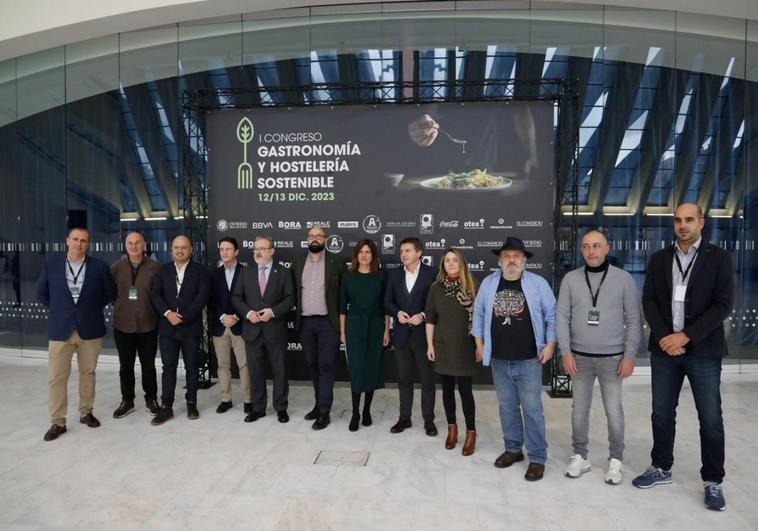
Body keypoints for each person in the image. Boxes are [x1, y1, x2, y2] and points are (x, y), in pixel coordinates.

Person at [633, 203, 734, 512]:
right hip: (665, 351)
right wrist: (666, 337)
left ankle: (713, 479)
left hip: (702, 350)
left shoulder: (719, 258)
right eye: (678, 220)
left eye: (689, 219)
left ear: (701, 222)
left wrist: (686, 336)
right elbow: (648, 300)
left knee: (711, 419)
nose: (683, 225)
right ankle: (661, 467)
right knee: (661, 413)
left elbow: (723, 305)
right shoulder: (660, 258)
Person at [556, 229, 641, 484]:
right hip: (578, 358)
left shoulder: (624, 279)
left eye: (596, 246)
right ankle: (580, 455)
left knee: (613, 410)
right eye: (586, 246)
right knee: (578, 410)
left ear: (607, 248)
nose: (591, 251)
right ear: (581, 250)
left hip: (613, 359)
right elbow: (561, 318)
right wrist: (566, 351)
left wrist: (629, 355)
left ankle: (615, 460)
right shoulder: (570, 279)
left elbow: (634, 320)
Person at [472, 237, 556, 481]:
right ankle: (513, 449)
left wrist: (550, 345)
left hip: (529, 359)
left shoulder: (538, 284)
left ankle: (538, 457)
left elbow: (552, 315)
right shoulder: (488, 284)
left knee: (532, 409)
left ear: (525, 260)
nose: (511, 260)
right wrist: (479, 344)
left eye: (516, 256)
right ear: (500, 260)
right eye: (507, 256)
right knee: (507, 408)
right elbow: (478, 314)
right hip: (499, 359)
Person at [36, 227, 115, 441]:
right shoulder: (51, 265)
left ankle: (86, 412)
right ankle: (57, 422)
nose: (79, 243)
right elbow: (41, 293)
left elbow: (109, 294)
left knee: (87, 373)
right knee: (56, 377)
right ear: (67, 241)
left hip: (90, 328)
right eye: (75, 239)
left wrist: (87, 310)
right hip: (60, 330)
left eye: (84, 240)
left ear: (88, 244)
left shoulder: (99, 267)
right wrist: (60, 310)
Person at [232, 235, 295, 423]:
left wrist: (273, 312)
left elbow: (290, 298)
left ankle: (281, 408)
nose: (257, 252)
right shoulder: (246, 272)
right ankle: (258, 408)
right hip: (252, 330)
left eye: (261, 248)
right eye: (255, 249)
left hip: (275, 329)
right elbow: (236, 297)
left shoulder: (283, 272)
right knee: (256, 371)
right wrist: (248, 313)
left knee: (280, 371)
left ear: (272, 251)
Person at [150, 235, 210, 425]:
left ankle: (191, 403)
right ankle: (166, 406)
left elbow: (201, 298)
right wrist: (168, 314)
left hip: (190, 327)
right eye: (176, 247)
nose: (180, 250)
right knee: (168, 368)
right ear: (171, 249)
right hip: (168, 328)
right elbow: (156, 294)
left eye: (184, 247)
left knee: (192, 367)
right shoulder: (163, 270)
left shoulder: (200, 271)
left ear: (191, 249)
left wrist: (182, 317)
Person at [425, 248, 480, 455]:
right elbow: (430, 318)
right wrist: (430, 345)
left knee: (465, 392)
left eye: (454, 260)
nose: (450, 263)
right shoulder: (435, 288)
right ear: (443, 265)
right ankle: (452, 429)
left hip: (466, 346)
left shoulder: (473, 285)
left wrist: (479, 345)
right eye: (447, 260)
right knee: (447, 390)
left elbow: (480, 318)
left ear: (461, 262)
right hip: (443, 346)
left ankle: (471, 433)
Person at [293, 225, 345, 430]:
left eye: (319, 236)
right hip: (305, 323)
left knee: (326, 366)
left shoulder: (337, 262)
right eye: (311, 235)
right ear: (307, 239)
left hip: (327, 323)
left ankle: (324, 411)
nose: (314, 239)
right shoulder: (297, 262)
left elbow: (343, 295)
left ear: (326, 239)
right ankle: (318, 404)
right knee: (312, 365)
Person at [384, 237, 438, 436]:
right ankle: (404, 418)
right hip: (401, 336)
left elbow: (436, 305)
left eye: (408, 250)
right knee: (404, 379)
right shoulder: (394, 274)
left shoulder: (432, 273)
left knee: (427, 380)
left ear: (419, 253)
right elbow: (387, 301)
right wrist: (397, 312)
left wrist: (422, 316)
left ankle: (429, 420)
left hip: (424, 337)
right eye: (402, 251)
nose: (403, 254)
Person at [339, 239, 390, 432]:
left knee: (371, 368)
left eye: (368, 252)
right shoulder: (348, 276)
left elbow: (385, 306)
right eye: (361, 252)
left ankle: (367, 410)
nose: (364, 255)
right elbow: (342, 306)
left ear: (373, 256)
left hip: (376, 325)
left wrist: (386, 330)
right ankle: (355, 413)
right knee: (358, 370)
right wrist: (343, 332)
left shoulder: (381, 276)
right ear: (356, 255)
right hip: (354, 325)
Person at [111, 231, 161, 418]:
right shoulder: (116, 268)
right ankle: (128, 400)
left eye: (137, 242)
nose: (134, 246)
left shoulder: (155, 267)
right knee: (126, 366)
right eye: (130, 243)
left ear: (144, 245)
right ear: (125, 246)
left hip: (148, 324)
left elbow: (160, 294)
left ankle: (151, 399)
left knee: (148, 365)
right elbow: (110, 293)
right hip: (123, 325)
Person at [209, 237, 251, 415]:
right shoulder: (214, 274)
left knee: (244, 365)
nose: (224, 252)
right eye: (222, 249)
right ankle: (225, 399)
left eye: (228, 249)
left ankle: (248, 400)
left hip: (240, 325)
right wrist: (222, 316)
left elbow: (250, 298)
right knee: (223, 366)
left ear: (236, 252)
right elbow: (210, 300)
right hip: (220, 326)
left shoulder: (246, 272)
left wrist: (235, 316)